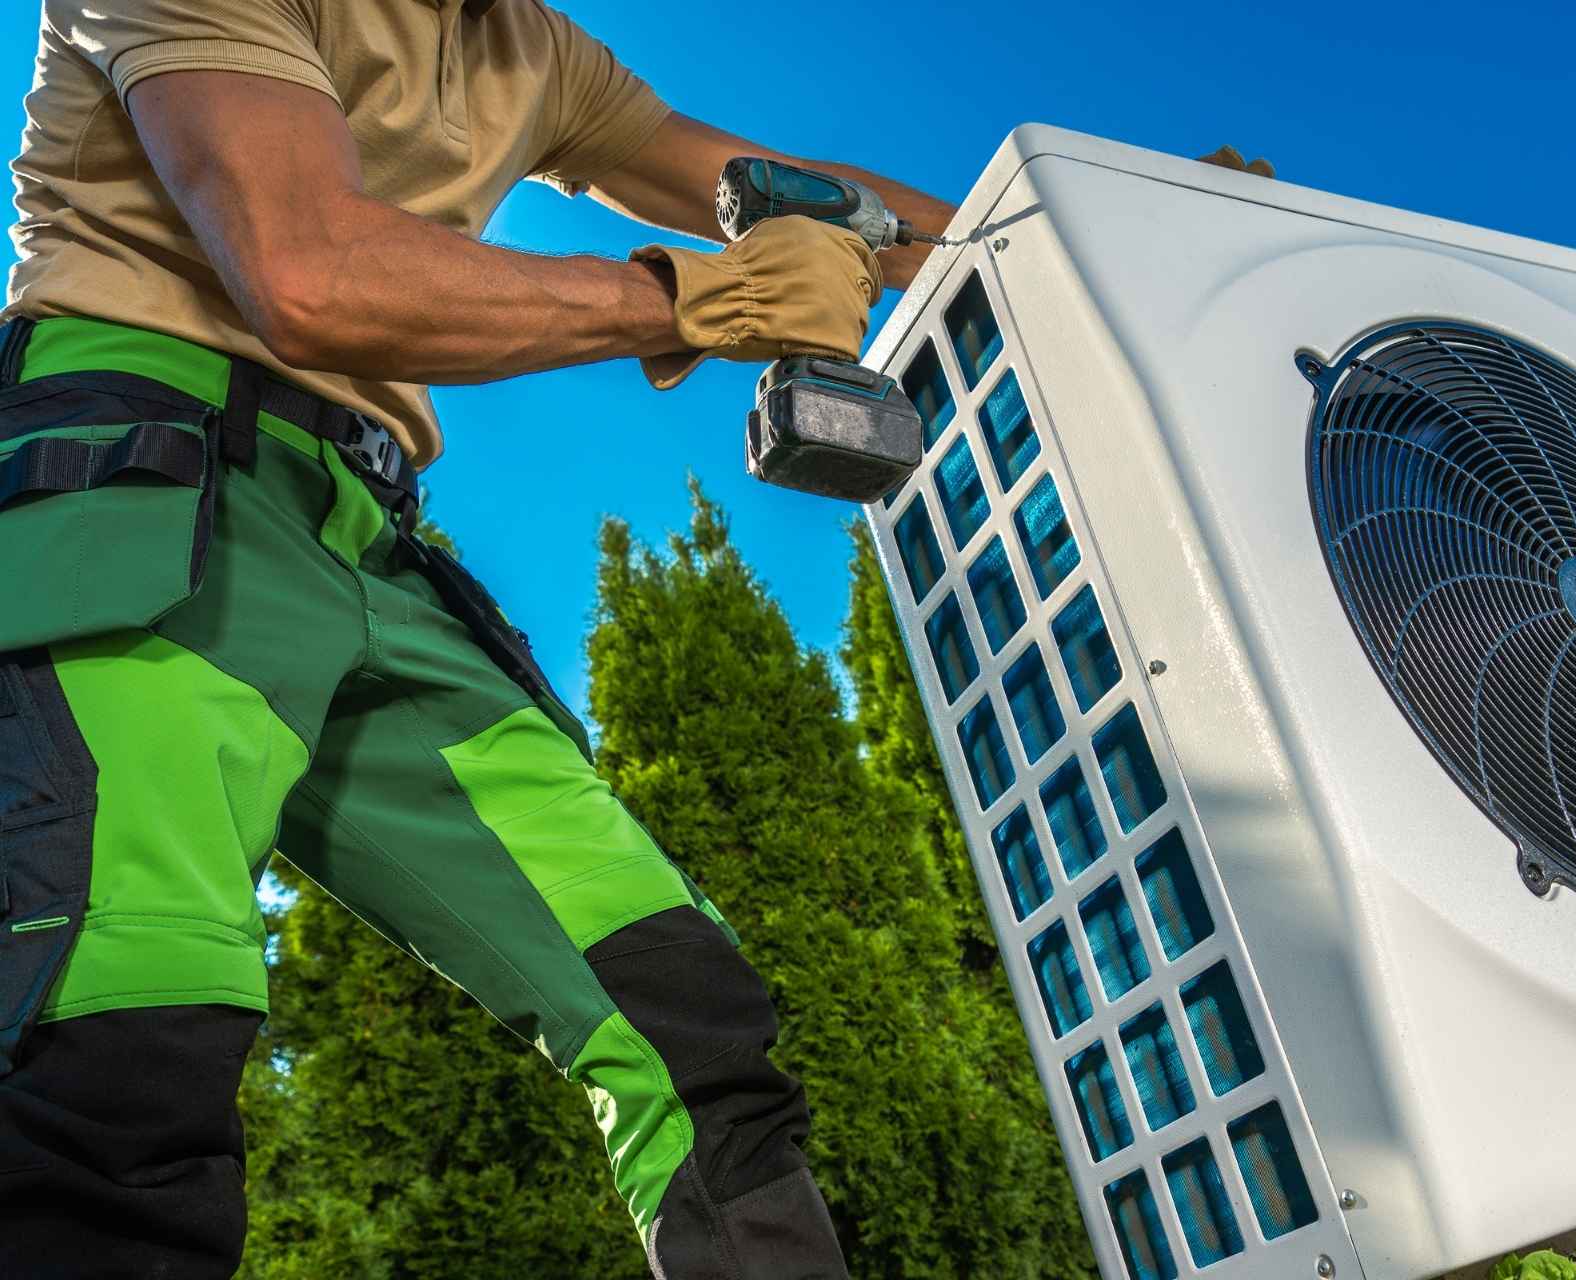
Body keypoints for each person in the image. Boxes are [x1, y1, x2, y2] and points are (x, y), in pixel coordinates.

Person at [0, 2, 955, 1277]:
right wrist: (692, 299)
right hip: (145, 474)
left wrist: (1083, 220)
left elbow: (802, 195)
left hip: (372, 537)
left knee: (682, 1014)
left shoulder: (534, 53)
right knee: (123, 1022)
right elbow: (307, 275)